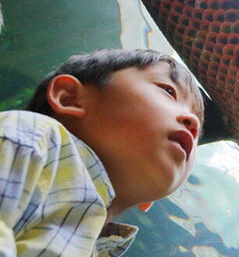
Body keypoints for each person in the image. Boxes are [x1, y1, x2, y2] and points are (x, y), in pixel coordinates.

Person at [0, 49, 204, 256]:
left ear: (148, 202)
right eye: (168, 91)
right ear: (69, 98)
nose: (193, 122)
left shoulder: (99, 247)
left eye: (198, 135)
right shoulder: (34, 138)